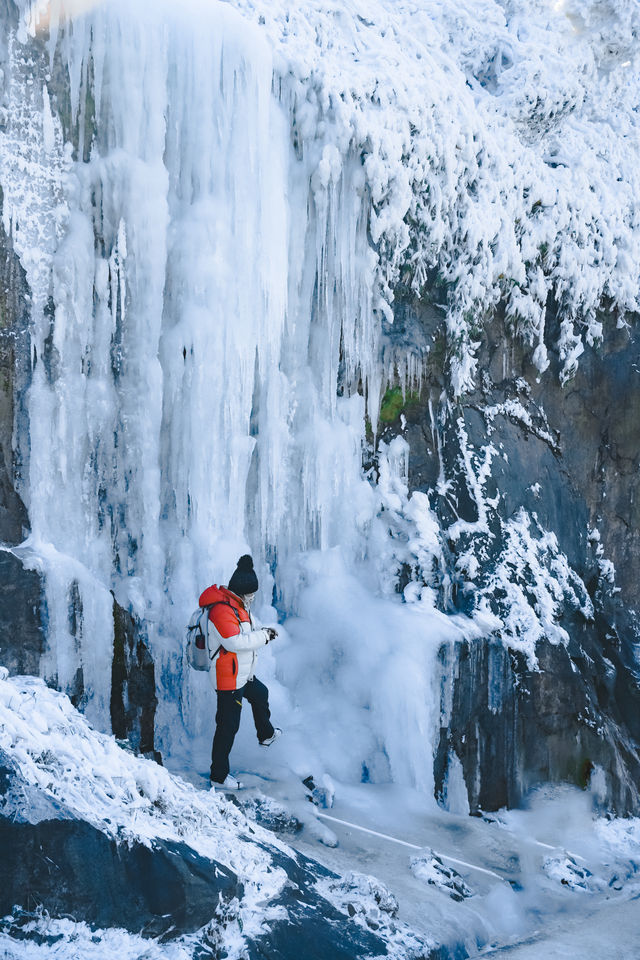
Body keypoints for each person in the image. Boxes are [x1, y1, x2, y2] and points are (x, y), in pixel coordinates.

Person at [199, 554, 281, 790]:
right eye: (251, 594)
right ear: (242, 591)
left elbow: (244, 637)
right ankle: (219, 776)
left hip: (242, 675)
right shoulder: (221, 611)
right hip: (228, 680)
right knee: (227, 727)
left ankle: (266, 735)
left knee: (260, 693)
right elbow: (234, 642)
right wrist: (265, 636)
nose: (253, 598)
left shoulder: (238, 607)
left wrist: (261, 634)